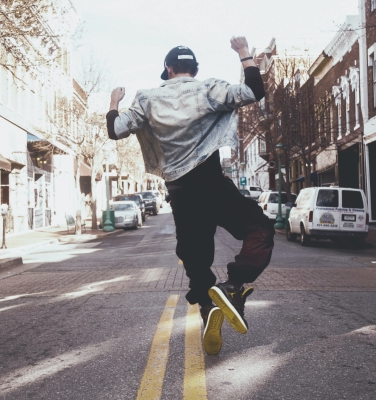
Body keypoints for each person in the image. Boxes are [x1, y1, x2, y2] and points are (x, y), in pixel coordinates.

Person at [106, 37, 274, 355]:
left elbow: (115, 130)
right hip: (211, 182)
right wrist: (243, 53)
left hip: (180, 193)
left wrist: (115, 102)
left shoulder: (147, 99)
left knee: (197, 264)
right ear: (194, 70)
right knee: (260, 230)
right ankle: (234, 285)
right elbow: (255, 90)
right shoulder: (208, 88)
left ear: (168, 70)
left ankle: (210, 308)